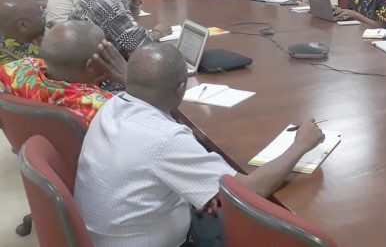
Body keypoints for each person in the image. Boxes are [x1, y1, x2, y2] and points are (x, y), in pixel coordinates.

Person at [74, 43, 325, 247]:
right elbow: (249, 192)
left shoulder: (112, 105)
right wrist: (301, 144)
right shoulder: (167, 139)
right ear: (181, 88)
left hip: (100, 236)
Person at [0, 21, 126, 124]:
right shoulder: (104, 107)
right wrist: (127, 77)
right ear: (92, 65)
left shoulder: (16, 68)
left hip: (39, 144)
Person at [0, 0, 45, 65]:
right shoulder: (23, 66)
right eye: (40, 13)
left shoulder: (21, 38)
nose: (44, 17)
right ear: (22, 25)